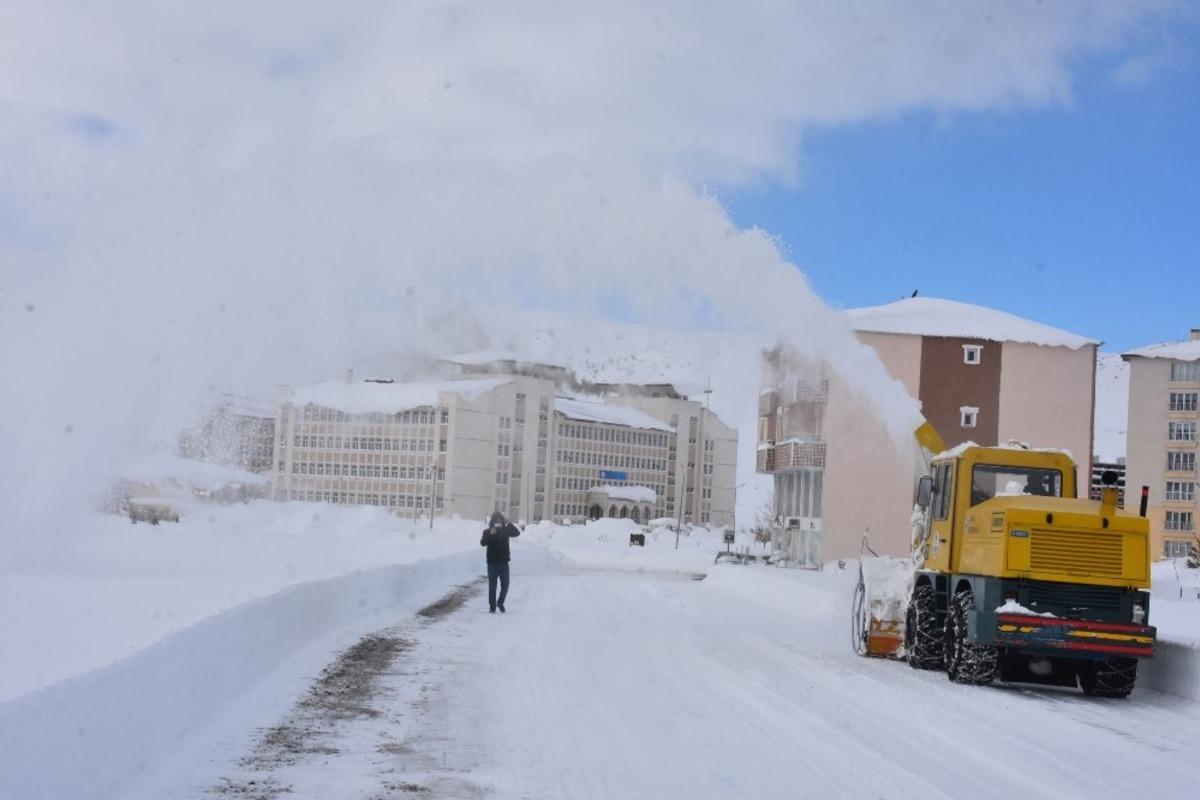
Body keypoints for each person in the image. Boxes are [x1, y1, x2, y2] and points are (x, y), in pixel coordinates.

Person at [481, 511, 521, 613]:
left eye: (500, 521)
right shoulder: (487, 532)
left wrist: (510, 523)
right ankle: (492, 607)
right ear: (492, 522)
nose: (498, 523)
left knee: (505, 585)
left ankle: (500, 602)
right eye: (496, 521)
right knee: (492, 587)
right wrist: (490, 534)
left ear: (502, 522)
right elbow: (482, 543)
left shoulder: (506, 531)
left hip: (504, 564)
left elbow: (517, 533)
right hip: (492, 564)